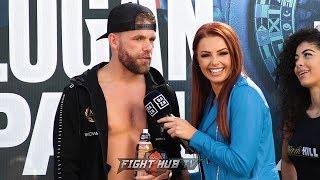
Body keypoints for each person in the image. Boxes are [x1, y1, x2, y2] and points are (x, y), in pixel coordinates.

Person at [53, 3, 187, 180]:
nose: (148, 47)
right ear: (114, 41)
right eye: (138, 38)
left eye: (151, 39)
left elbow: (175, 160)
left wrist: (167, 173)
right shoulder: (79, 93)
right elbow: (65, 168)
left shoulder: (163, 92)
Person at [158, 22, 279, 179]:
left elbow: (241, 164)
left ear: (234, 55)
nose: (214, 62)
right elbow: (216, 169)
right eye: (205, 55)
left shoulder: (245, 95)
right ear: (197, 60)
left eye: (222, 53)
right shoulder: (212, 97)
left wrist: (194, 135)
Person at [276, 28, 320, 180]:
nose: (299, 63)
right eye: (296, 59)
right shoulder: (294, 115)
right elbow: (286, 162)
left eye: (307, 55)